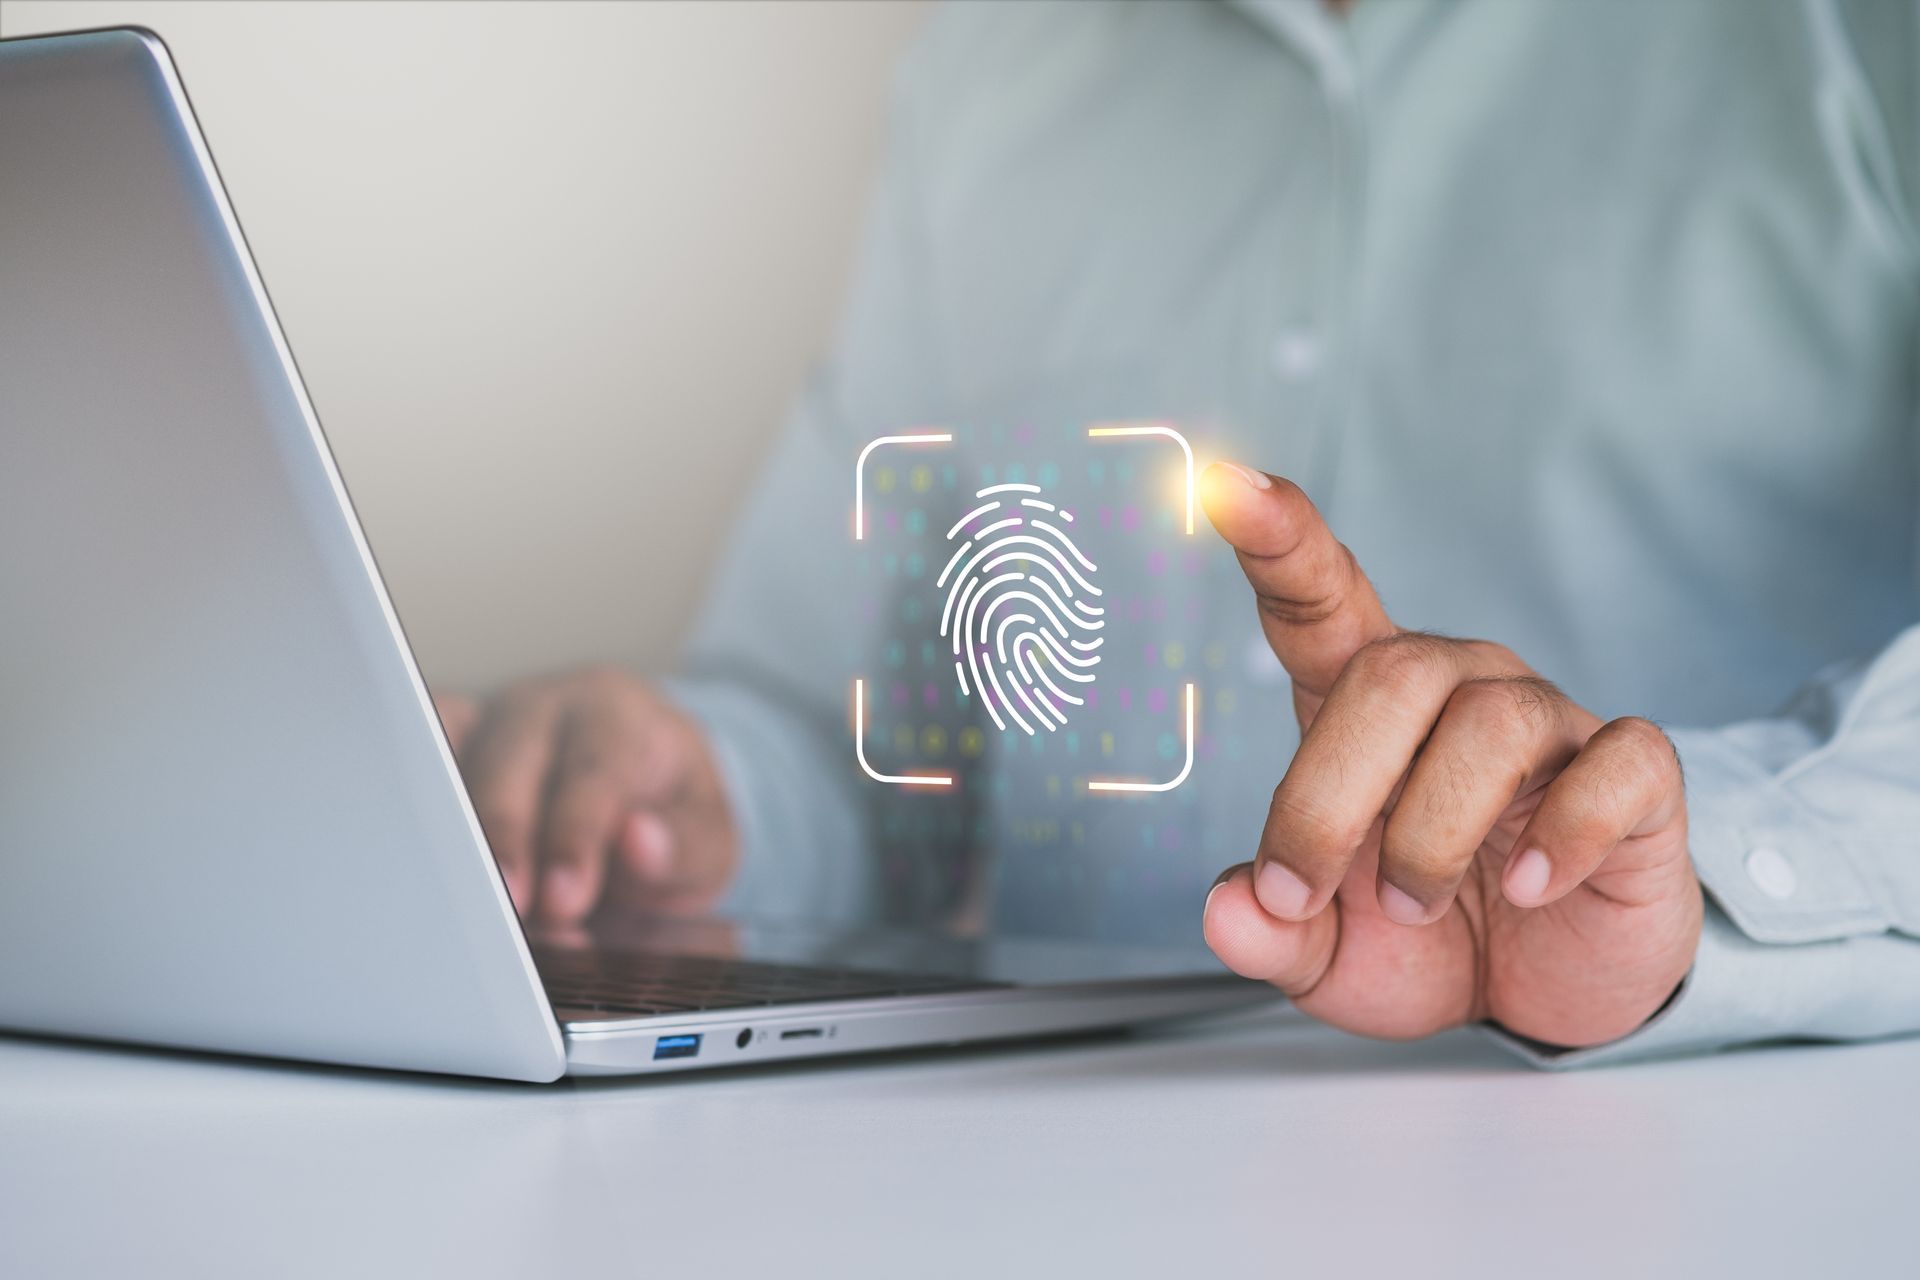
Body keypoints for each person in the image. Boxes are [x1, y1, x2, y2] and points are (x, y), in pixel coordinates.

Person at [436, 0, 1920, 1065]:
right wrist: (688, 801)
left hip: (1694, 1169)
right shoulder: (991, 63)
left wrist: (1692, 881)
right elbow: (874, 738)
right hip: (1029, 1181)